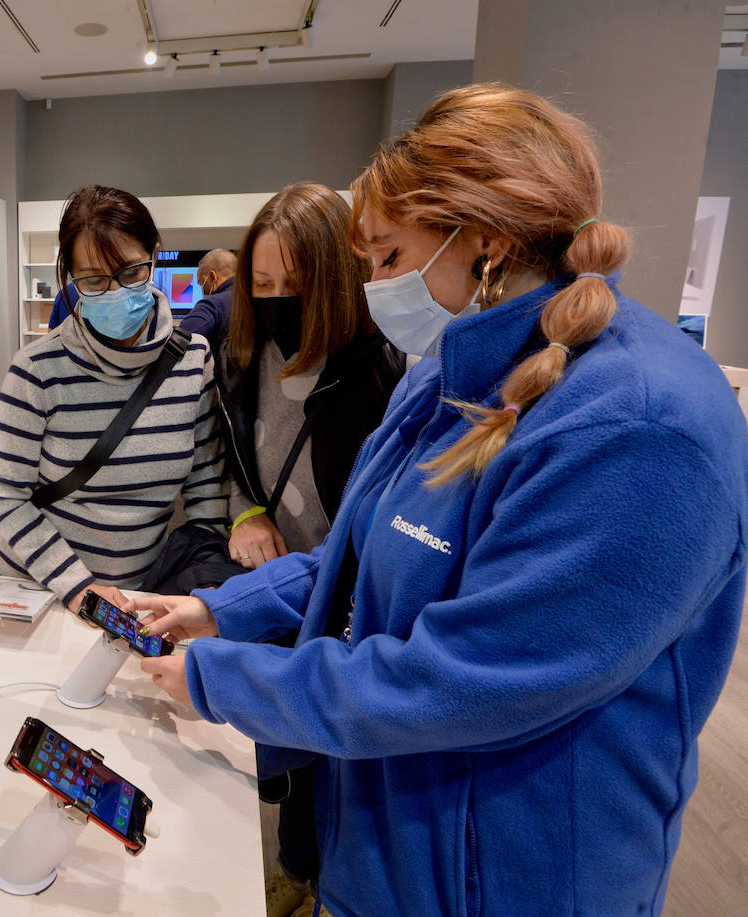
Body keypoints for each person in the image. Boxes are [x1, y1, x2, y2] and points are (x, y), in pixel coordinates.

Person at [130, 85, 748, 917]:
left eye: (388, 258)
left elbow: (468, 678)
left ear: (485, 238)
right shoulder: (443, 379)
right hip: (387, 845)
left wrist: (225, 678)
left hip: (504, 879)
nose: (378, 287)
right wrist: (218, 612)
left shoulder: (639, 424)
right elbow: (360, 556)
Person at [0, 185, 227, 611]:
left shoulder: (193, 360)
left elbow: (206, 486)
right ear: (70, 276)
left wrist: (207, 574)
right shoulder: (36, 369)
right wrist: (78, 588)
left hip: (145, 596)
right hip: (45, 594)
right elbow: (7, 498)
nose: (116, 292)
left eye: (132, 272)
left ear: (155, 254)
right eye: (94, 280)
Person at [218, 185, 403, 577]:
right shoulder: (242, 359)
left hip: (341, 603)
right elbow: (230, 465)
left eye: (298, 284)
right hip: (262, 593)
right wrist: (244, 513)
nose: (279, 299)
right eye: (263, 284)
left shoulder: (387, 370)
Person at [178, 248, 237, 344]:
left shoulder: (213, 305)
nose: (202, 288)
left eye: (201, 282)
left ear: (213, 276)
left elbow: (176, 343)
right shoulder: (253, 297)